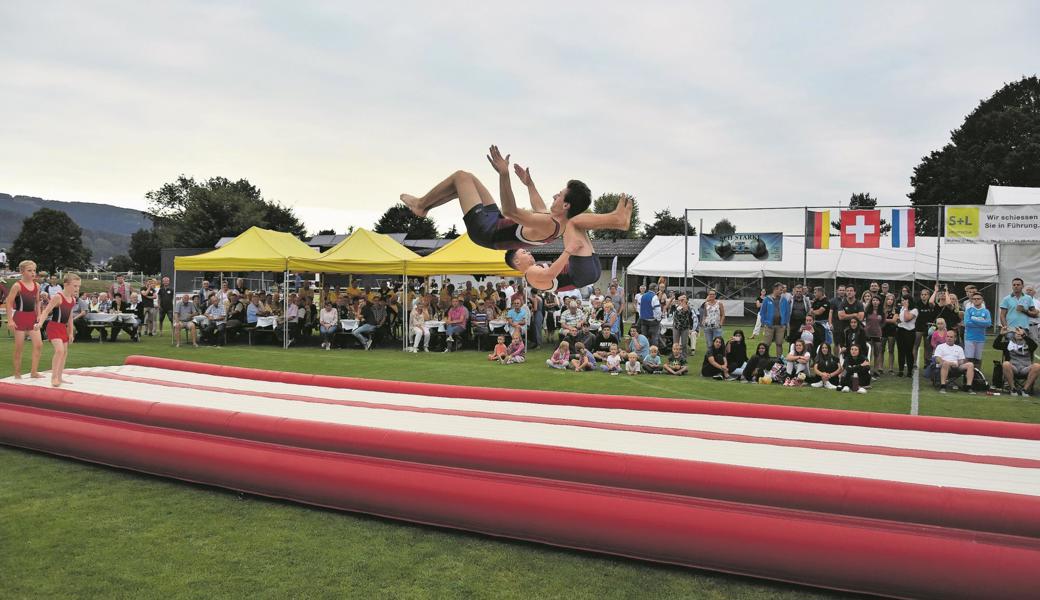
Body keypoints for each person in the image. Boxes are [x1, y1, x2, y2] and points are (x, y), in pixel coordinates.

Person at [402, 145, 630, 257]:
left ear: (566, 205)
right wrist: (529, 184)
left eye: (559, 195)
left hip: (486, 231)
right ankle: (426, 206)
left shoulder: (548, 224)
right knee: (466, 180)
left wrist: (504, 174)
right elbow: (539, 206)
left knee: (461, 177)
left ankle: (422, 205)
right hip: (495, 222)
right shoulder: (555, 223)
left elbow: (510, 210)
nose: (555, 196)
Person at [35, 273, 81, 387]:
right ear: (66, 284)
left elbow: (69, 317)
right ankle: (54, 378)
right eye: (75, 286)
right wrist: (40, 323)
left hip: (62, 328)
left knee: (64, 353)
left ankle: (60, 377)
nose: (77, 288)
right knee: (59, 350)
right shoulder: (58, 297)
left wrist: (70, 332)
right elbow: (46, 311)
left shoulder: (72, 300)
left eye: (78, 286)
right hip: (53, 327)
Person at [5, 260, 43, 379]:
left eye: (34, 270)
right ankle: (17, 373)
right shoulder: (17, 286)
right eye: (29, 270)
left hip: (32, 317)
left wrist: (39, 315)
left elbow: (37, 302)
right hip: (20, 318)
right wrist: (10, 320)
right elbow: (9, 303)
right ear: (22, 271)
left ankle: (34, 371)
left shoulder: (37, 285)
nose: (33, 273)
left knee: (38, 344)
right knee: (19, 347)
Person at [994, 326, 1039, 396]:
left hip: (1026, 368)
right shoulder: (1009, 344)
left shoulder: (1029, 344)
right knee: (1006, 364)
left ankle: (1025, 390)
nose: (1018, 333)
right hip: (1013, 368)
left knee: (1037, 366)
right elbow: (995, 345)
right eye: (1016, 332)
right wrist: (1001, 335)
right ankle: (1013, 389)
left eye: (1020, 332)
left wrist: (1023, 335)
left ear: (1025, 334)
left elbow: (1035, 346)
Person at [759, 283, 790, 358]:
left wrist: (785, 323)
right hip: (769, 326)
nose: (782, 291)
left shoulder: (784, 300)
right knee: (766, 344)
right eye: (780, 290)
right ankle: (764, 359)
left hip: (780, 326)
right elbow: (762, 312)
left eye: (782, 290)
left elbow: (787, 312)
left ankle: (779, 360)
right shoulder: (767, 299)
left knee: (779, 343)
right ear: (775, 289)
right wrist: (764, 322)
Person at [963, 292, 993, 365]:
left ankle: (977, 375)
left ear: (982, 300)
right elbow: (967, 323)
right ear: (972, 300)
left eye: (978, 299)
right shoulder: (969, 310)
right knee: (969, 358)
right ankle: (967, 375)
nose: (976, 300)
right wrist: (981, 321)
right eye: (974, 299)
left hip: (980, 338)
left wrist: (974, 319)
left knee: (978, 359)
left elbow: (988, 323)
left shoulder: (986, 311)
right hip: (969, 338)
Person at [896, 295, 918, 377]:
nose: (902, 302)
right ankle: (901, 370)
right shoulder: (902, 308)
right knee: (900, 351)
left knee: (908, 352)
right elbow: (900, 319)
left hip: (909, 332)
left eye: (904, 300)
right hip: (900, 330)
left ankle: (909, 371)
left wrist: (905, 308)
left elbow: (906, 318)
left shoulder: (914, 310)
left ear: (909, 301)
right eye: (902, 300)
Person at [881, 293, 899, 375]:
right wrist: (888, 319)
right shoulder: (882, 309)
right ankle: (880, 367)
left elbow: (894, 321)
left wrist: (884, 319)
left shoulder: (896, 309)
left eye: (892, 299)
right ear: (886, 300)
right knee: (881, 350)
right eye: (888, 299)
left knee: (891, 350)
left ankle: (891, 368)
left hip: (892, 331)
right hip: (882, 331)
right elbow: (882, 320)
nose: (890, 301)